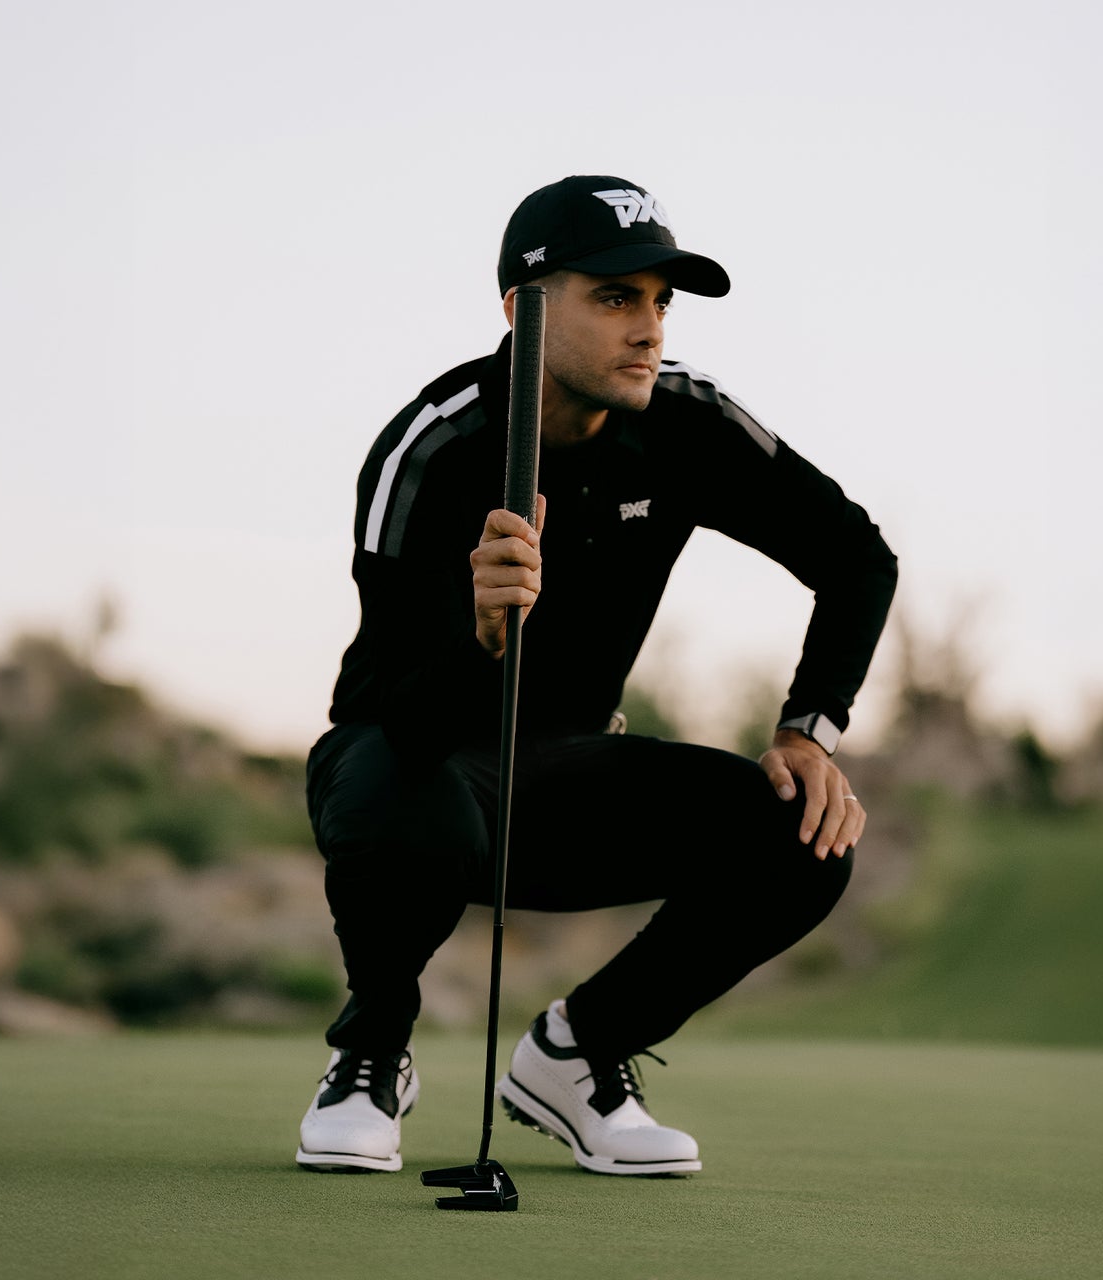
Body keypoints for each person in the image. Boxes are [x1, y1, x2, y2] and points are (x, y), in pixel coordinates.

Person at [296, 175, 898, 1176]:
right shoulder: (434, 446)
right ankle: (370, 1053)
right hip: (413, 768)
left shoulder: (686, 420)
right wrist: (480, 638)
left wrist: (808, 729)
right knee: (398, 785)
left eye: (661, 299)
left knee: (802, 831)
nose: (649, 326)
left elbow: (857, 557)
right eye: (615, 297)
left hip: (570, 776)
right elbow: (382, 711)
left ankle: (577, 1054)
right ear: (521, 309)